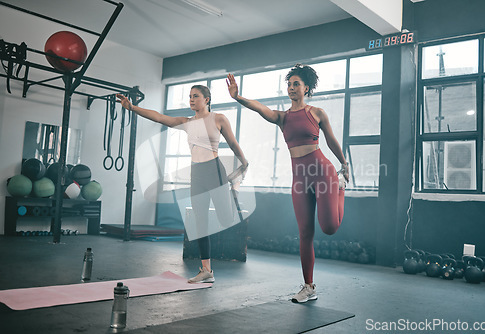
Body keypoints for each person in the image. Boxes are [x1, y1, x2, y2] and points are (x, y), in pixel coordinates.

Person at [226, 64, 349, 303]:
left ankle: (340, 188)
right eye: (289, 84)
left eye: (296, 84)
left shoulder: (317, 113)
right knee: (305, 232)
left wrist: (344, 164)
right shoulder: (282, 117)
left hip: (322, 172)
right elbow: (261, 109)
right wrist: (238, 97)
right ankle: (309, 286)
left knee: (329, 228)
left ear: (307, 88)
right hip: (299, 178)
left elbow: (332, 141)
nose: (292, 88)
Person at [117, 85, 248, 284]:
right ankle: (207, 270)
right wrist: (132, 107)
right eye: (190, 97)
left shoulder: (218, 119)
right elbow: (159, 117)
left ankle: (235, 185)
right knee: (200, 223)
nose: (191, 99)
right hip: (197, 173)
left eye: (196, 96)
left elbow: (232, 143)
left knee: (225, 217)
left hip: (215, 169)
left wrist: (244, 162)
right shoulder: (187, 122)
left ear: (207, 99)